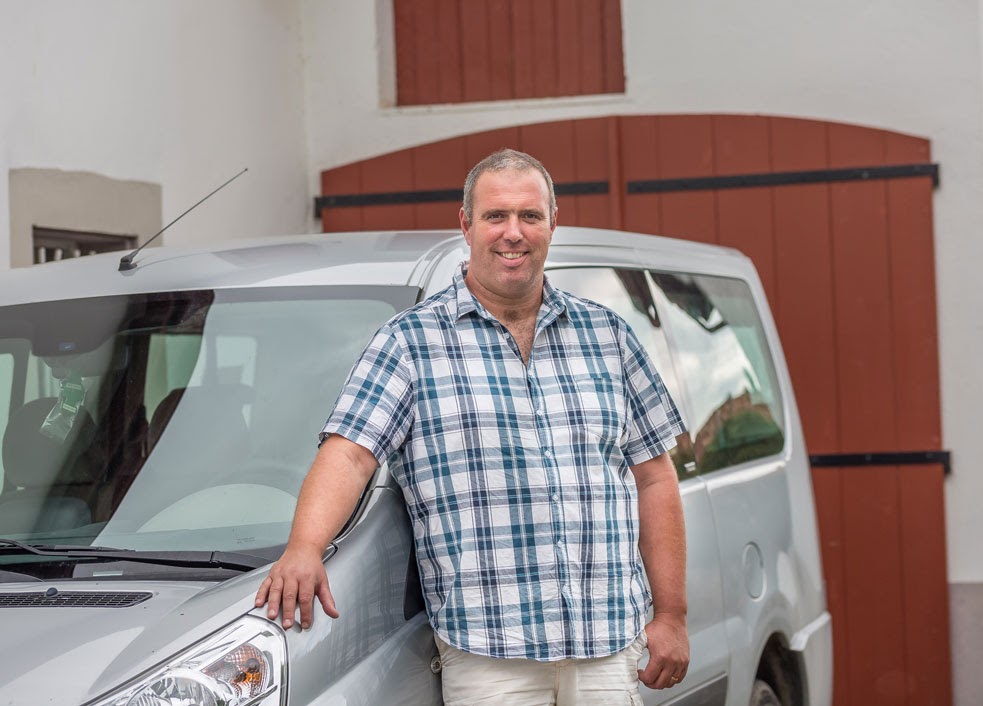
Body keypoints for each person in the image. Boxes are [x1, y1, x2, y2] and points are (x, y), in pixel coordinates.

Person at [255, 149, 690, 704]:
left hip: (609, 646)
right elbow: (350, 454)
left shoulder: (609, 336)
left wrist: (671, 614)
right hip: (489, 656)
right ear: (466, 225)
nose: (514, 233)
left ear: (554, 223)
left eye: (530, 216)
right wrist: (304, 547)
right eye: (495, 216)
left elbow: (655, 476)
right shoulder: (409, 344)